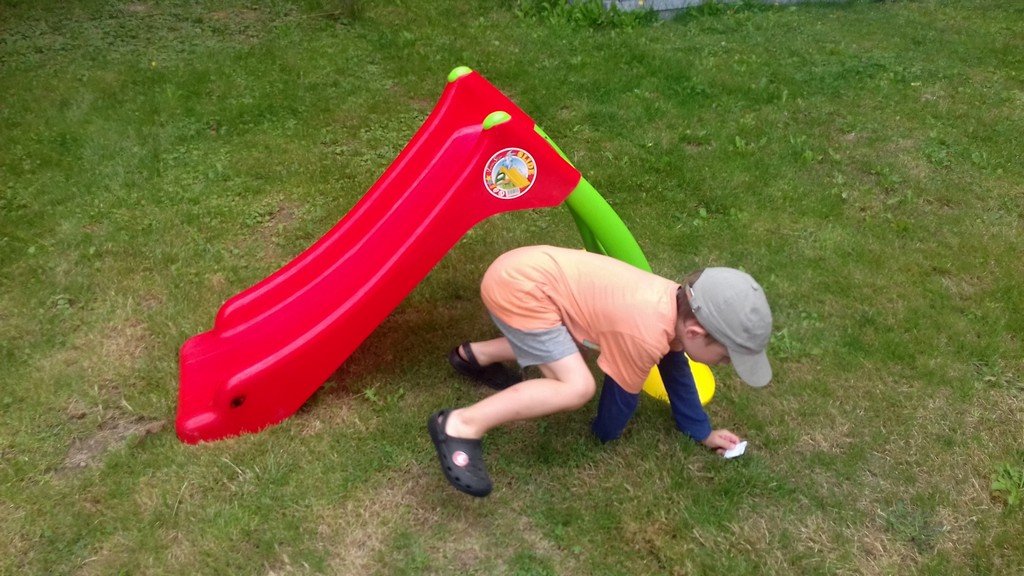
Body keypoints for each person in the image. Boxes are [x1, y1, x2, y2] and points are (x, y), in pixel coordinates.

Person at [427, 245, 773, 497]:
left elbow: (675, 370)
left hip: (524, 272)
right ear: (695, 332)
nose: (724, 365)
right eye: (725, 357)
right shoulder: (646, 333)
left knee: (573, 346)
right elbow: (621, 395)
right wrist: (603, 436)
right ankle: (461, 425)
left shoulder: (675, 306)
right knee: (576, 386)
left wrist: (701, 431)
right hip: (521, 289)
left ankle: (473, 356)